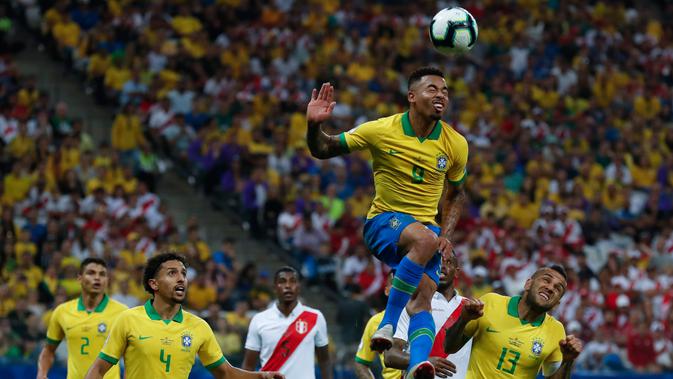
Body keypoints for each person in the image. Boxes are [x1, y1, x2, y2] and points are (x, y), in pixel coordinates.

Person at [306, 67, 468, 379]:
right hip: (384, 223)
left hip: (427, 232)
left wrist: (446, 234)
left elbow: (457, 194)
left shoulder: (456, 144)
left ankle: (418, 364)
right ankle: (388, 323)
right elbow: (323, 148)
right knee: (424, 241)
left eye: (445, 91)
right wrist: (314, 127)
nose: (441, 95)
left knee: (423, 301)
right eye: (432, 89)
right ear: (411, 96)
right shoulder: (381, 130)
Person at [84, 253, 284, 379]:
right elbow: (100, 368)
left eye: (183, 273)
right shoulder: (128, 319)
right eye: (172, 273)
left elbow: (225, 373)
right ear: (154, 284)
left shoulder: (199, 326)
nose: (181, 278)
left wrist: (262, 377)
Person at [443, 265, 583, 378]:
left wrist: (568, 360)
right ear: (528, 284)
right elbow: (449, 347)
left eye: (558, 288)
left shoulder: (556, 330)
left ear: (556, 304)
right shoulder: (491, 302)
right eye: (546, 280)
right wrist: (464, 319)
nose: (551, 288)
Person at [384, 250, 471, 379]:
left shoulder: (470, 309)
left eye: (448, 262)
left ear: (457, 271)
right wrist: (423, 362)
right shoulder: (411, 304)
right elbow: (390, 356)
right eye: (437, 262)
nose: (442, 266)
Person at [37, 257, 128, 379]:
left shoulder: (122, 312)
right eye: (91, 273)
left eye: (102, 274)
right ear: (79, 278)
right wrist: (42, 373)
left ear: (107, 280)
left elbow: (132, 355)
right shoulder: (62, 311)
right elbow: (49, 350)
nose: (97, 278)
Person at [242, 266, 331, 379]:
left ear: (299, 287)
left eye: (293, 281)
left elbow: (325, 361)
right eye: (282, 281)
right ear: (274, 288)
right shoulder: (259, 320)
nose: (288, 286)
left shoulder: (316, 317)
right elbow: (248, 367)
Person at [354, 272, 403, 379]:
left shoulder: (424, 317)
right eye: (396, 284)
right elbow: (361, 362)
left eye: (405, 284)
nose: (401, 289)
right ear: (387, 291)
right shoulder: (375, 321)